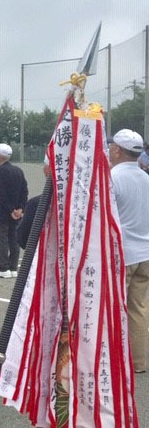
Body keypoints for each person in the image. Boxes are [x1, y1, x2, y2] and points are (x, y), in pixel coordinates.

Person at [109, 129, 149, 374]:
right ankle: (138, 362)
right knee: (139, 308)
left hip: (122, 253)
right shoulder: (146, 178)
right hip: (146, 252)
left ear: (117, 150)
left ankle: (115, 361)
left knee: (116, 307)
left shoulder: (112, 177)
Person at [0, 143, 28, 278]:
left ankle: (3, 268)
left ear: (0, 156)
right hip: (17, 213)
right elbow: (24, 191)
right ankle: (13, 268)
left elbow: (0, 195)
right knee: (14, 239)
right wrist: (20, 209)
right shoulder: (18, 171)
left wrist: (10, 210)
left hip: (2, 213)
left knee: (2, 239)